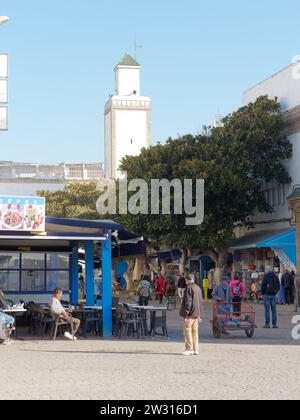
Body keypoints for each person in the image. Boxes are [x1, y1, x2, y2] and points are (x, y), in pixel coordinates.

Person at [180, 274, 203, 356]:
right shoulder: (198, 288)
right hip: (196, 313)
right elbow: (200, 302)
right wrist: (200, 314)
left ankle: (189, 348)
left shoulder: (188, 288)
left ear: (187, 280)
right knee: (195, 332)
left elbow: (188, 303)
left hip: (190, 314)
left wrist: (185, 314)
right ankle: (196, 349)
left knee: (187, 331)